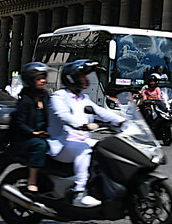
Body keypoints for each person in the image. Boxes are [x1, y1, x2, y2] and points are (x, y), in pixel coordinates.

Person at [46, 59, 125, 208]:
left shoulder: (84, 98)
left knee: (106, 150)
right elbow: (62, 115)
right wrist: (82, 124)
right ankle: (79, 193)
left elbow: (100, 112)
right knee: (83, 149)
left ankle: (101, 189)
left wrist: (121, 121)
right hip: (62, 143)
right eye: (83, 77)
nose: (86, 80)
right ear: (72, 78)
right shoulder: (59, 97)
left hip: (81, 139)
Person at [11, 62, 50, 194]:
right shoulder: (25, 100)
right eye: (39, 79)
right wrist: (33, 132)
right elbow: (19, 122)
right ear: (31, 81)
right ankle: (32, 180)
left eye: (43, 78)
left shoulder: (45, 96)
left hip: (44, 133)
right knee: (40, 145)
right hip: (26, 137)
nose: (43, 81)